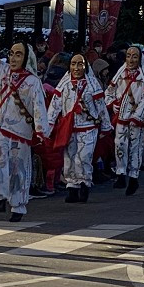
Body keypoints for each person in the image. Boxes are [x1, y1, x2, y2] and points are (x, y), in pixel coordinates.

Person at [0, 17, 49, 222]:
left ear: (26, 58)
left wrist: (41, 130)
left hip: (21, 130)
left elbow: (39, 107)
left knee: (18, 168)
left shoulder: (33, 82)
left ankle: (18, 206)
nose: (13, 58)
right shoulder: (3, 70)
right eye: (12, 54)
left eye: (18, 54)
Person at [46, 53, 109, 203]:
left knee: (84, 158)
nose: (76, 67)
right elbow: (55, 106)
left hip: (88, 127)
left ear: (85, 66)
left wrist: (106, 126)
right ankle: (72, 187)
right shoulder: (64, 84)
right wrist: (47, 126)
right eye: (73, 64)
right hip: (69, 128)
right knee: (69, 158)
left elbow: (101, 107)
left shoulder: (93, 85)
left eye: (80, 64)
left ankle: (84, 184)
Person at [104, 45, 144, 196]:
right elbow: (110, 91)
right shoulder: (120, 73)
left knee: (136, 147)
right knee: (119, 144)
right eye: (128, 56)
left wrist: (138, 115)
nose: (131, 59)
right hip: (121, 117)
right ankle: (120, 173)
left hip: (136, 118)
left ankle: (133, 176)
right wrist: (113, 104)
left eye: (134, 56)